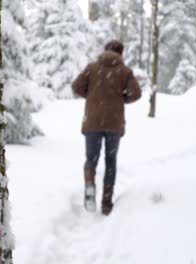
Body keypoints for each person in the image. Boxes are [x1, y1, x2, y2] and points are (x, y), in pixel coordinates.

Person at [72, 39, 141, 215]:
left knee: (91, 159)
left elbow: (76, 86)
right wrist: (121, 99)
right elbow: (136, 93)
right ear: (121, 53)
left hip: (93, 122)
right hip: (114, 123)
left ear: (105, 51)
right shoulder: (124, 71)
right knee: (110, 161)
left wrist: (92, 96)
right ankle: (106, 203)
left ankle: (89, 186)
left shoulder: (92, 68)